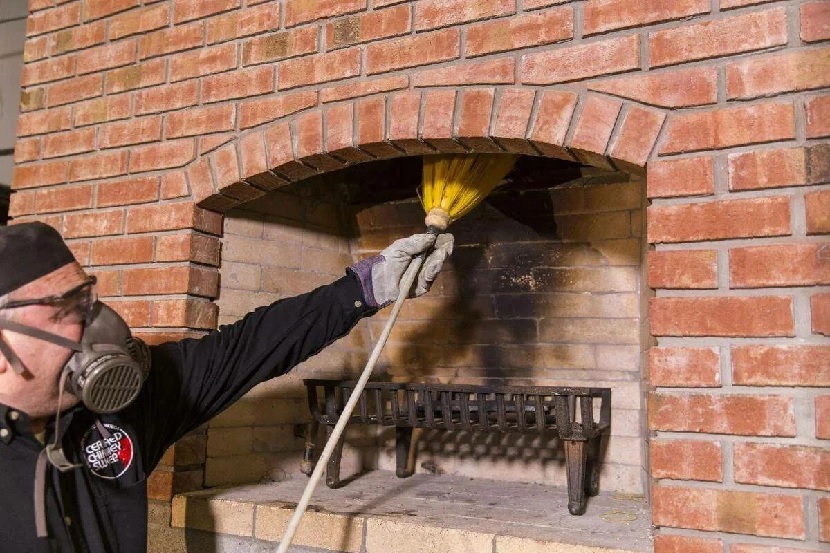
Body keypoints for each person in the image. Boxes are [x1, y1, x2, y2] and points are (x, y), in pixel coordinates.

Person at [0, 221, 453, 552]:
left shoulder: (118, 412)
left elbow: (246, 348)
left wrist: (366, 287)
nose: (99, 324)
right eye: (66, 309)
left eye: (89, 299)